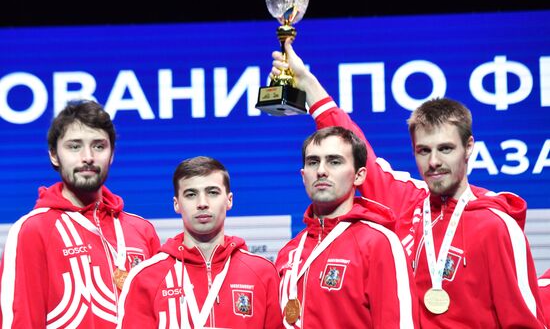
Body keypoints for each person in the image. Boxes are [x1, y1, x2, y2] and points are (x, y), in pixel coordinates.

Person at [271, 40, 547, 328]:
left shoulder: (497, 226)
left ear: (469, 148)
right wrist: (307, 82)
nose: (434, 162)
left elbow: (524, 322)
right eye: (424, 150)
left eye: (446, 149)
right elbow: (353, 146)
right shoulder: (405, 201)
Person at [0, 100, 161, 328]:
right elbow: (21, 321)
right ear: (54, 156)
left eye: (98, 146)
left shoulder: (141, 230)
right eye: (74, 146)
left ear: (112, 154)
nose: (88, 157)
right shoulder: (32, 231)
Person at [275, 126, 419, 328]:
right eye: (313, 162)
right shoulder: (289, 253)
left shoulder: (379, 243)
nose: (321, 171)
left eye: (334, 162)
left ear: (359, 176)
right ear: (303, 175)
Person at [117, 156, 283, 328]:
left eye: (212, 192)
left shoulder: (262, 273)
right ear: (177, 204)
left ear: (229, 200)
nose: (202, 203)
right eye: (191, 195)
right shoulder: (145, 277)